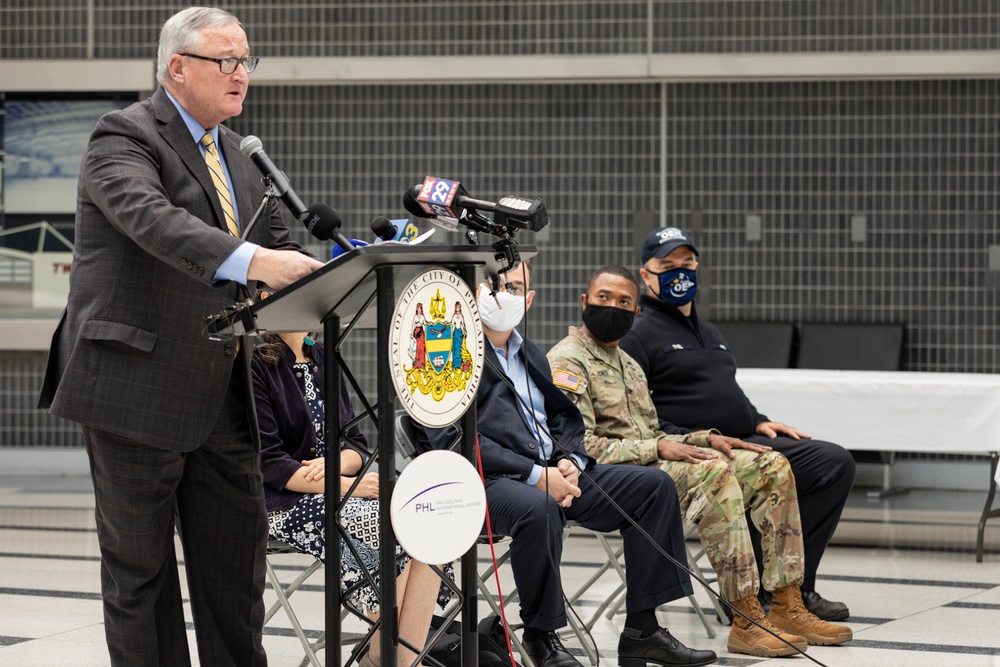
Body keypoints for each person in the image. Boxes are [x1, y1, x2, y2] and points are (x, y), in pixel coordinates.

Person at [36, 7, 325, 665]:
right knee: (142, 580)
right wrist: (256, 264)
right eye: (226, 60)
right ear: (177, 67)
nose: (241, 74)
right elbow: (154, 220)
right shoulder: (124, 136)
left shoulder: (242, 156)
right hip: (136, 388)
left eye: (247, 60)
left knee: (235, 574)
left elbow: (281, 250)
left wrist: (343, 267)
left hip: (226, 394)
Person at [414, 262, 718, 667]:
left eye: (516, 286)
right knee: (538, 508)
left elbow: (565, 419)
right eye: (494, 286)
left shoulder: (532, 351)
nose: (504, 293)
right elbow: (452, 438)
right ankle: (542, 637)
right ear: (471, 294)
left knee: (653, 487)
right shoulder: (450, 354)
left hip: (555, 471)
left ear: (529, 298)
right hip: (487, 481)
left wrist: (569, 459)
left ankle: (642, 631)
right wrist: (537, 476)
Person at [547, 266, 853, 657]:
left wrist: (701, 438)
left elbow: (651, 432)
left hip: (650, 466)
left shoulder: (628, 364)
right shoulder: (568, 361)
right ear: (584, 301)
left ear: (636, 311)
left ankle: (786, 603)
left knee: (771, 465)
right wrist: (658, 449)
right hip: (610, 479)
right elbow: (577, 446)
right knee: (713, 474)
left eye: (624, 301)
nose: (613, 307)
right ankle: (746, 616)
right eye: (604, 297)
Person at [619, 227, 857, 622]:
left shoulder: (708, 331)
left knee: (832, 463)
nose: (680, 273)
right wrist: (700, 438)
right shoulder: (637, 334)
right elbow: (638, 414)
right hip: (697, 450)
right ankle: (748, 597)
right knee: (759, 476)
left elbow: (726, 388)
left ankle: (792, 588)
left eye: (687, 264)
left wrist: (760, 422)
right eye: (667, 266)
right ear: (646, 275)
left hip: (745, 439)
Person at [252, 328, 450, 666]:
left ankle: (397, 661)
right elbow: (268, 461)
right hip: (284, 503)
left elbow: (356, 443)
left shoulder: (324, 356)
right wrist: (341, 485)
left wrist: (335, 465)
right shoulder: (256, 363)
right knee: (387, 525)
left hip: (341, 488)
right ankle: (383, 659)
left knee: (425, 518)